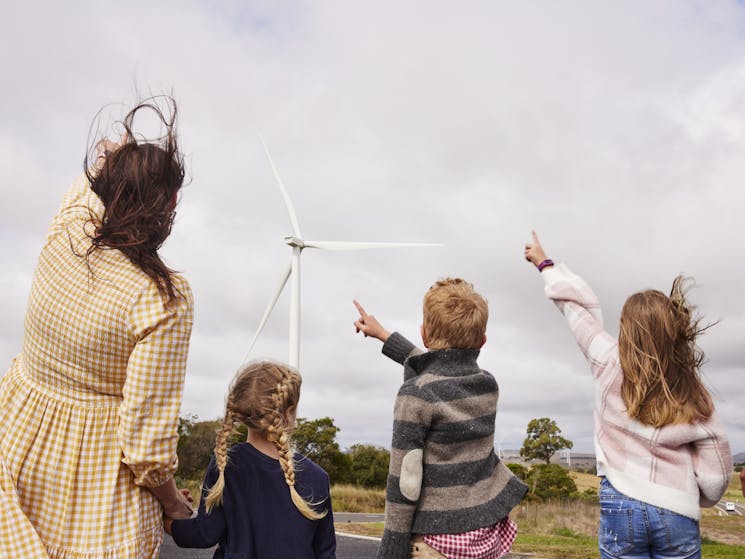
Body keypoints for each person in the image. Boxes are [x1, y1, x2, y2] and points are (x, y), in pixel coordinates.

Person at [0, 98, 194, 558]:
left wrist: (114, 154)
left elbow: (93, 183)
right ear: (169, 203)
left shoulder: (67, 227)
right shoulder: (164, 297)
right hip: (95, 486)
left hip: (15, 436)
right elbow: (146, 444)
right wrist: (173, 505)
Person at [523, 230, 732, 559]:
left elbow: (577, 313)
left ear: (625, 329)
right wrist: (697, 496)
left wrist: (545, 265)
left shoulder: (607, 361)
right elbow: (716, 474)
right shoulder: (694, 391)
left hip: (620, 503)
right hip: (677, 508)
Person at [353, 279, 528, 559]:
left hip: (438, 542)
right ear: (482, 341)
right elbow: (445, 367)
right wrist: (384, 335)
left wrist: (392, 548)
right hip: (484, 535)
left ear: (423, 334)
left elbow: (405, 478)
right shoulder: (487, 385)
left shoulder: (417, 395)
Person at [165, 360, 336, 559]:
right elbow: (326, 553)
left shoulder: (226, 466)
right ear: (289, 413)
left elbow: (205, 533)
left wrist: (167, 522)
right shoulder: (317, 477)